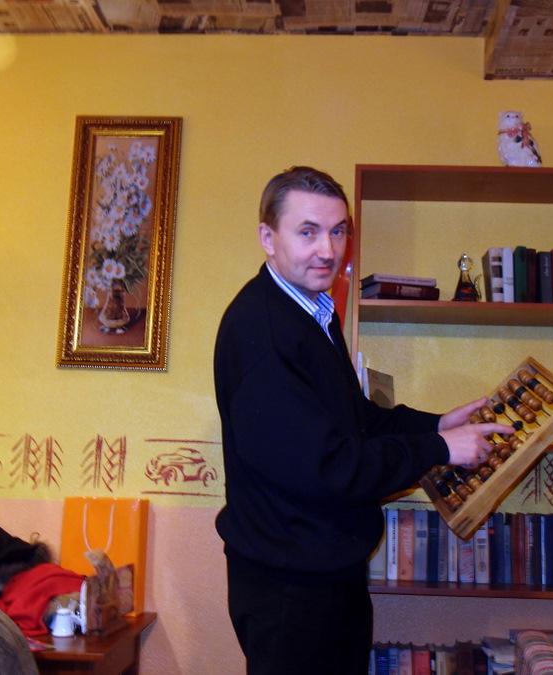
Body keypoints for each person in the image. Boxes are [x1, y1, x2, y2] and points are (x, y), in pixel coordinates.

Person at [213, 166, 513, 675]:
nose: (328, 250)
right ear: (268, 237)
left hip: (324, 573)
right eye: (308, 232)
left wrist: (436, 425)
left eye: (338, 231)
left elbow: (355, 420)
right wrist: (441, 449)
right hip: (290, 588)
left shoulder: (311, 313)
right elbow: (329, 466)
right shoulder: (262, 329)